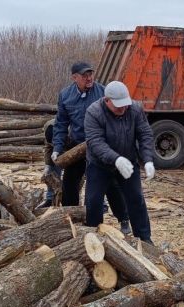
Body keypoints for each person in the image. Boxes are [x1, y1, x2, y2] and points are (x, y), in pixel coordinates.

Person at [52, 62, 131, 233]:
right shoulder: (65, 95)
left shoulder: (103, 92)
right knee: (70, 184)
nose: (89, 78)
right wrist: (57, 148)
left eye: (91, 74)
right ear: (75, 78)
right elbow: (60, 124)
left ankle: (124, 219)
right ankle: (71, 218)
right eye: (84, 75)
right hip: (77, 147)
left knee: (110, 185)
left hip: (100, 147)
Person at [84, 81, 155, 245]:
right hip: (100, 165)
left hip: (128, 162)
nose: (122, 109)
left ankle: (144, 238)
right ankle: (93, 238)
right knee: (93, 202)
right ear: (107, 100)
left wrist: (148, 160)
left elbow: (145, 134)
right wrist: (116, 159)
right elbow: (96, 143)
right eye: (118, 106)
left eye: (125, 105)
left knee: (136, 198)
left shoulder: (135, 109)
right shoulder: (94, 112)